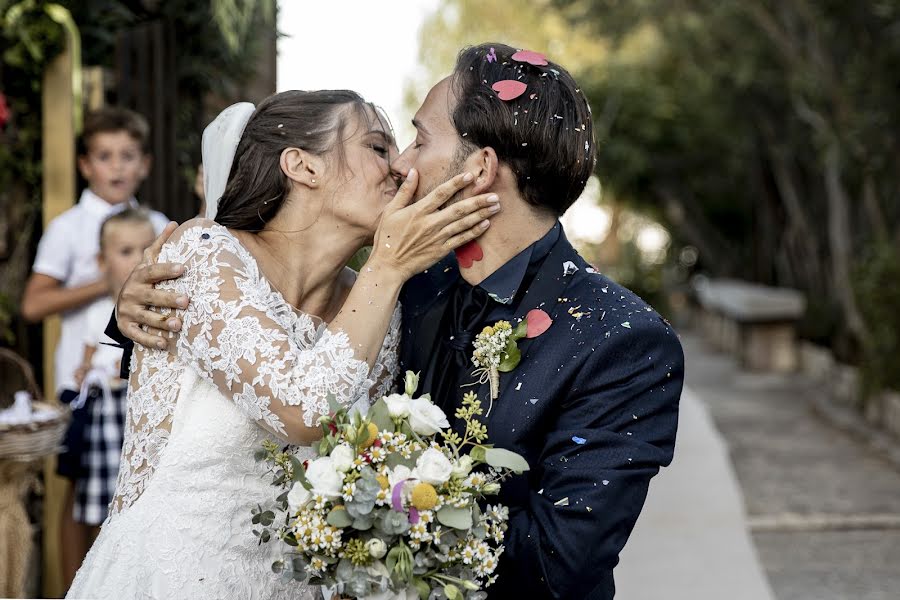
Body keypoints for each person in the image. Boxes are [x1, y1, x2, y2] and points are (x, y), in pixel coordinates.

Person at [117, 44, 685, 599]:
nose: (402, 164)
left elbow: (559, 563)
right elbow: (261, 345)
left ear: (481, 169)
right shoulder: (405, 283)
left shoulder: (621, 340)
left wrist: (377, 510)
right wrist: (138, 311)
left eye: (421, 138)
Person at [66, 90, 500, 600]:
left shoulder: (377, 300)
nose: (400, 168)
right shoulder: (205, 255)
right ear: (300, 165)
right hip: (167, 578)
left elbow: (359, 465)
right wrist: (386, 267)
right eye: (378, 148)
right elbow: (301, 411)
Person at [20, 106, 168, 587]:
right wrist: (108, 282)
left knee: (141, 492)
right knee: (79, 496)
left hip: (142, 383)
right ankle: (72, 590)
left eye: (128, 156)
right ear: (86, 165)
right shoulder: (68, 228)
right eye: (106, 157)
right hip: (84, 386)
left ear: (145, 164)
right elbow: (34, 303)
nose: (118, 168)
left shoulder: (161, 225)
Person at [70, 209, 157, 536]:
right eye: (125, 252)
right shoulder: (97, 314)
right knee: (107, 491)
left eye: (146, 249)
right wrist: (84, 372)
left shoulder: (158, 307)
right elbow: (88, 359)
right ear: (102, 262)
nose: (138, 259)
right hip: (108, 410)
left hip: (143, 405)